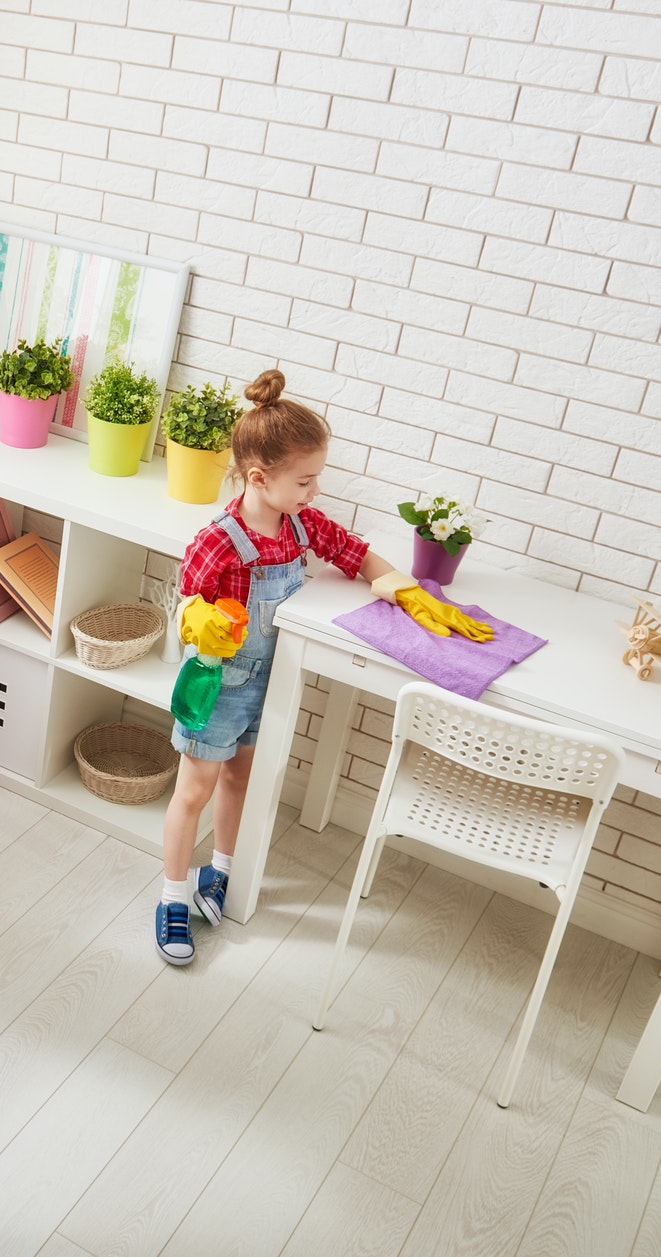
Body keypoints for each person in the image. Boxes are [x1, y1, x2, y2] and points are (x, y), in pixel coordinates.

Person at [156, 369, 493, 965]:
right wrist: (195, 616)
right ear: (258, 478)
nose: (314, 492)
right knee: (194, 790)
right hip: (218, 684)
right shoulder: (219, 539)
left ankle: (222, 874)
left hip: (269, 681)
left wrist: (405, 589)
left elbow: (354, 551)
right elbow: (185, 595)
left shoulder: (299, 525)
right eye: (304, 481)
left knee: (240, 779)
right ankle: (172, 897)